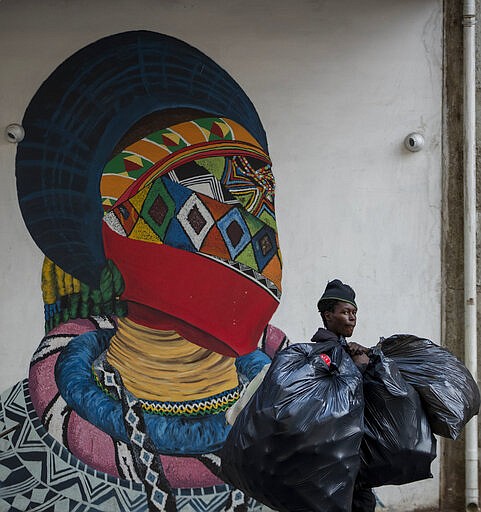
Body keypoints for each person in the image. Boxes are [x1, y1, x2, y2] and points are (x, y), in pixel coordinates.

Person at [311, 278, 377, 512]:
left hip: (349, 453)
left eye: (354, 312)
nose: (352, 317)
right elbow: (331, 397)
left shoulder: (344, 349)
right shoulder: (322, 353)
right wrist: (358, 367)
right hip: (333, 456)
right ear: (328, 315)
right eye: (345, 312)